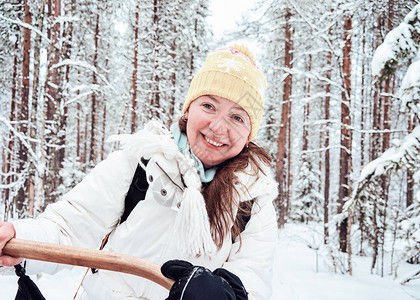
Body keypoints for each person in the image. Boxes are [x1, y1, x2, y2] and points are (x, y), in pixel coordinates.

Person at [0, 43, 278, 300]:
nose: (218, 127)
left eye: (237, 117)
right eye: (209, 106)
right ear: (188, 110)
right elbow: (68, 228)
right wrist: (16, 236)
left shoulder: (252, 201)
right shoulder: (142, 162)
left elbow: (252, 282)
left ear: (249, 134)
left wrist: (223, 294)